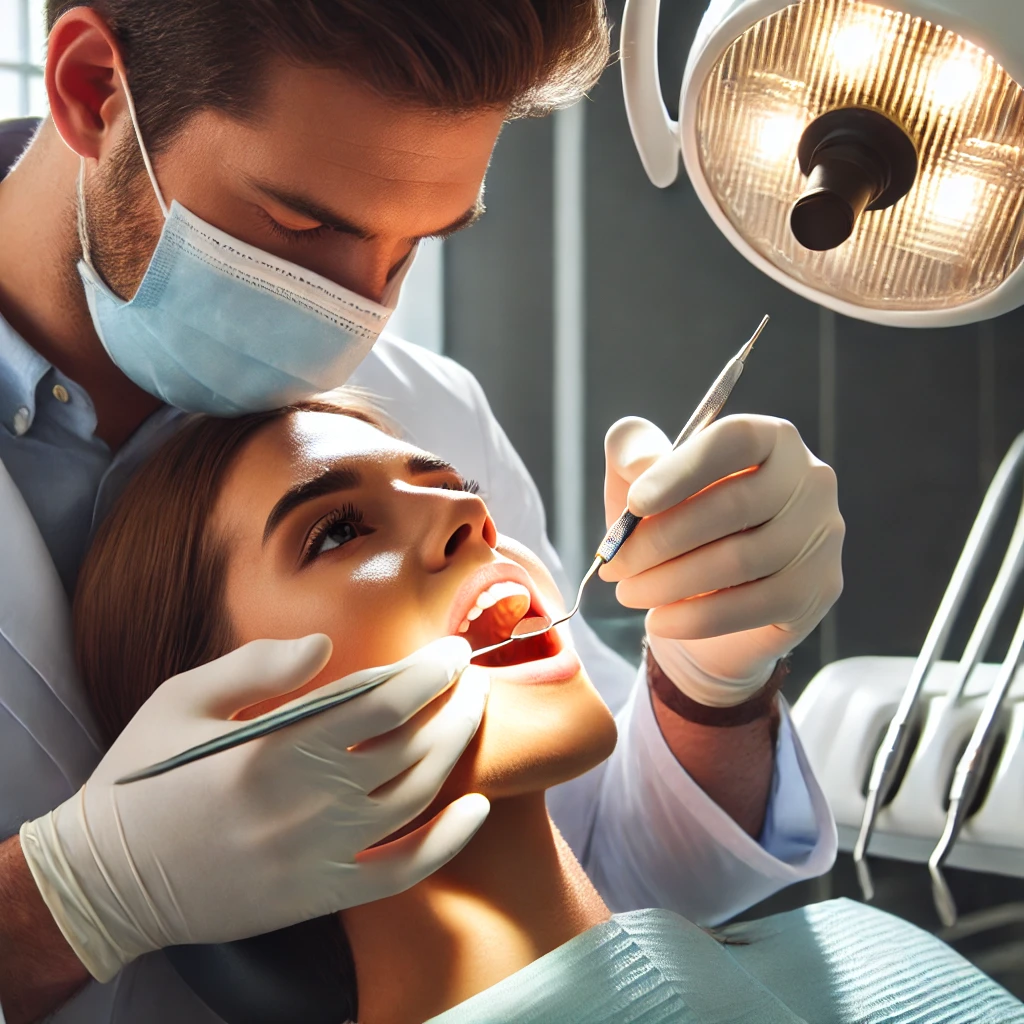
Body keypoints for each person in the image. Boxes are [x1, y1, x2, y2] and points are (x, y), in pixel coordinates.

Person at [0, 2, 844, 1022]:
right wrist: (67, 900)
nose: (356, 312)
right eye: (302, 225)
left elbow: (598, 866)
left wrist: (713, 680)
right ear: (93, 90)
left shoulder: (420, 404)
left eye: (413, 248)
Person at [66, 396, 1022, 1024]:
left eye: (455, 487)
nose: (471, 520)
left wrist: (715, 687)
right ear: (217, 722)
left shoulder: (868, 953)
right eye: (338, 529)